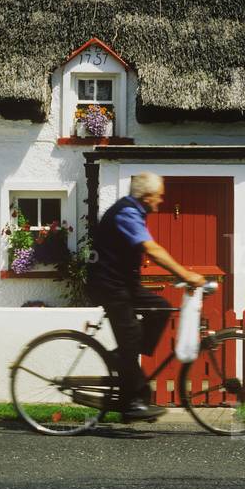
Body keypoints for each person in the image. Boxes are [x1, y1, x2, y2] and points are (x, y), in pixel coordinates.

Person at [87, 172, 206, 420]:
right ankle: (133, 403)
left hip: (125, 284)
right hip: (110, 286)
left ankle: (125, 359)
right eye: (159, 197)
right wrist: (186, 274)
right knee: (130, 346)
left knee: (161, 308)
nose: (161, 201)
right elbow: (151, 248)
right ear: (148, 196)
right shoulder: (126, 213)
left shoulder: (134, 211)